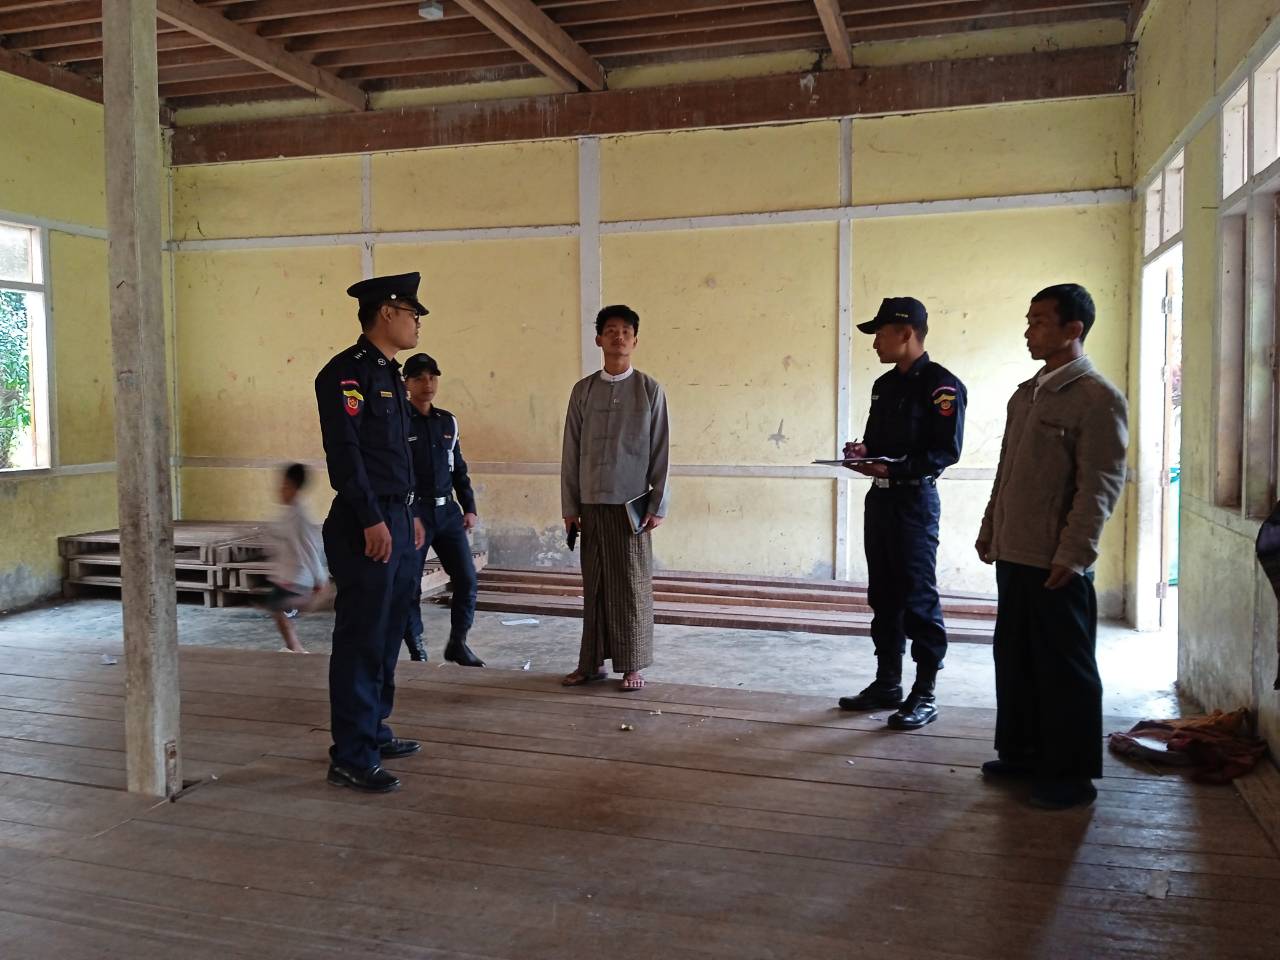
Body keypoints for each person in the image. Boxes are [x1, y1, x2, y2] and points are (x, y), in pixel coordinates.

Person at [976, 283, 1127, 810]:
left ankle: (1070, 774)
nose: (1028, 331)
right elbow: (1006, 471)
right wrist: (991, 526)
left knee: (1064, 667)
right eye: (1029, 320)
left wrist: (1075, 552)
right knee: (1016, 656)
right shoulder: (1027, 394)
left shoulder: (1098, 398)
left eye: (1039, 321)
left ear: (1073, 329)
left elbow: (1100, 485)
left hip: (1056, 559)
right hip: (1015, 549)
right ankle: (1022, 753)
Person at [315, 272, 428, 794]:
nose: (417, 323)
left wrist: (412, 512)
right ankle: (351, 755)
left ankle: (374, 731)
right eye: (412, 313)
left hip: (399, 518)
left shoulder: (391, 375)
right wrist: (370, 518)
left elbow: (398, 456)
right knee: (361, 639)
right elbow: (346, 455)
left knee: (387, 632)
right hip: (368, 522)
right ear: (386, 313)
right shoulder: (346, 374)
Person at [839, 297, 966, 730]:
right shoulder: (884, 385)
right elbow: (880, 444)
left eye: (880, 334)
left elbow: (946, 452)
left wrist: (895, 468)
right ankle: (887, 683)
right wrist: (863, 452)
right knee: (884, 595)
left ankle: (925, 692)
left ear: (906, 333)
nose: (875, 343)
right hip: (881, 501)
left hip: (914, 503)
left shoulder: (941, 386)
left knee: (917, 597)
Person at [561, 304, 670, 693]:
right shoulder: (583, 390)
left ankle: (632, 665)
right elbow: (571, 450)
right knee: (594, 586)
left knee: (631, 586)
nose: (618, 336)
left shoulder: (649, 389)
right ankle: (590, 663)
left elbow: (661, 449)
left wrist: (658, 505)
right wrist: (570, 507)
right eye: (610, 330)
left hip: (631, 506)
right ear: (598, 340)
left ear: (635, 340)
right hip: (591, 502)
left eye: (625, 330)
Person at [401, 352, 484, 667]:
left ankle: (458, 643)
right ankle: (417, 648)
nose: (427, 384)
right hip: (414, 512)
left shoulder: (447, 421)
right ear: (406, 383)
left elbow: (457, 467)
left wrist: (469, 506)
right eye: (419, 378)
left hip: (447, 511)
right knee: (410, 584)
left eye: (432, 377)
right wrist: (407, 513)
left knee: (466, 578)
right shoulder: (398, 421)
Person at [261, 462, 327, 654]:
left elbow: (310, 548)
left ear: (295, 488)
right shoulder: (289, 512)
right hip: (286, 574)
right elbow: (280, 537)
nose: (280, 490)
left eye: (285, 486)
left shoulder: (301, 516)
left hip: (296, 576)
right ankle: (294, 646)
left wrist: (320, 579)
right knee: (277, 610)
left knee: (277, 607)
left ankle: (296, 644)